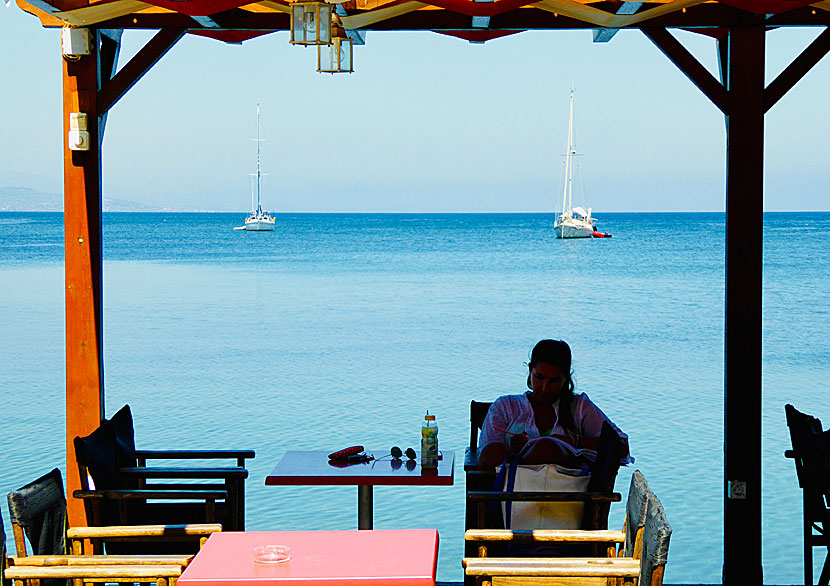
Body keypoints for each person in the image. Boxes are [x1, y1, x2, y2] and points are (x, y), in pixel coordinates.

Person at [477, 339, 630, 469]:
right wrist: (510, 448)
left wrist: (573, 442)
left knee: (546, 448)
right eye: (539, 377)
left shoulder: (579, 408)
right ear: (530, 371)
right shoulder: (505, 407)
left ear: (566, 379)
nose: (544, 388)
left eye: (554, 381)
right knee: (493, 451)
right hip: (512, 495)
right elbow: (487, 458)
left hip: (567, 495)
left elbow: (621, 446)